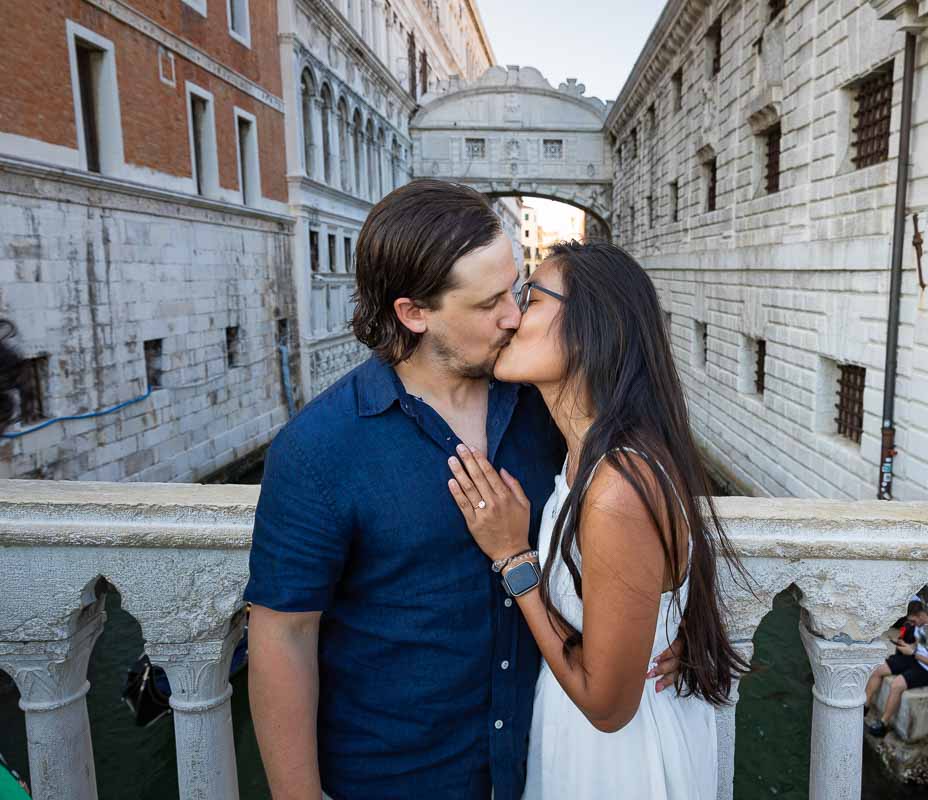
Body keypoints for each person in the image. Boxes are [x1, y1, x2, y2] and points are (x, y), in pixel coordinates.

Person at [244, 182, 683, 800]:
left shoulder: (547, 404)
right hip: (400, 777)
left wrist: (665, 624)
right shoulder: (320, 449)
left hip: (541, 764)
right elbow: (283, 632)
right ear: (414, 313)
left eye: (517, 290)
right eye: (488, 303)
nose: (513, 315)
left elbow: (649, 503)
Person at [444, 240, 749, 799]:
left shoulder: (616, 489)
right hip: (586, 739)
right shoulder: (592, 454)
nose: (511, 317)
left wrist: (514, 560)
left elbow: (608, 706)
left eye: (531, 299)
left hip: (615, 760)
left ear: (590, 329)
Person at [866, 601, 928, 737]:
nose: (911, 623)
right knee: (878, 669)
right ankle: (865, 706)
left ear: (920, 615)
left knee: (897, 684)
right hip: (916, 658)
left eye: (913, 620)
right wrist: (907, 646)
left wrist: (912, 653)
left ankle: (883, 723)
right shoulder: (919, 625)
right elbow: (919, 646)